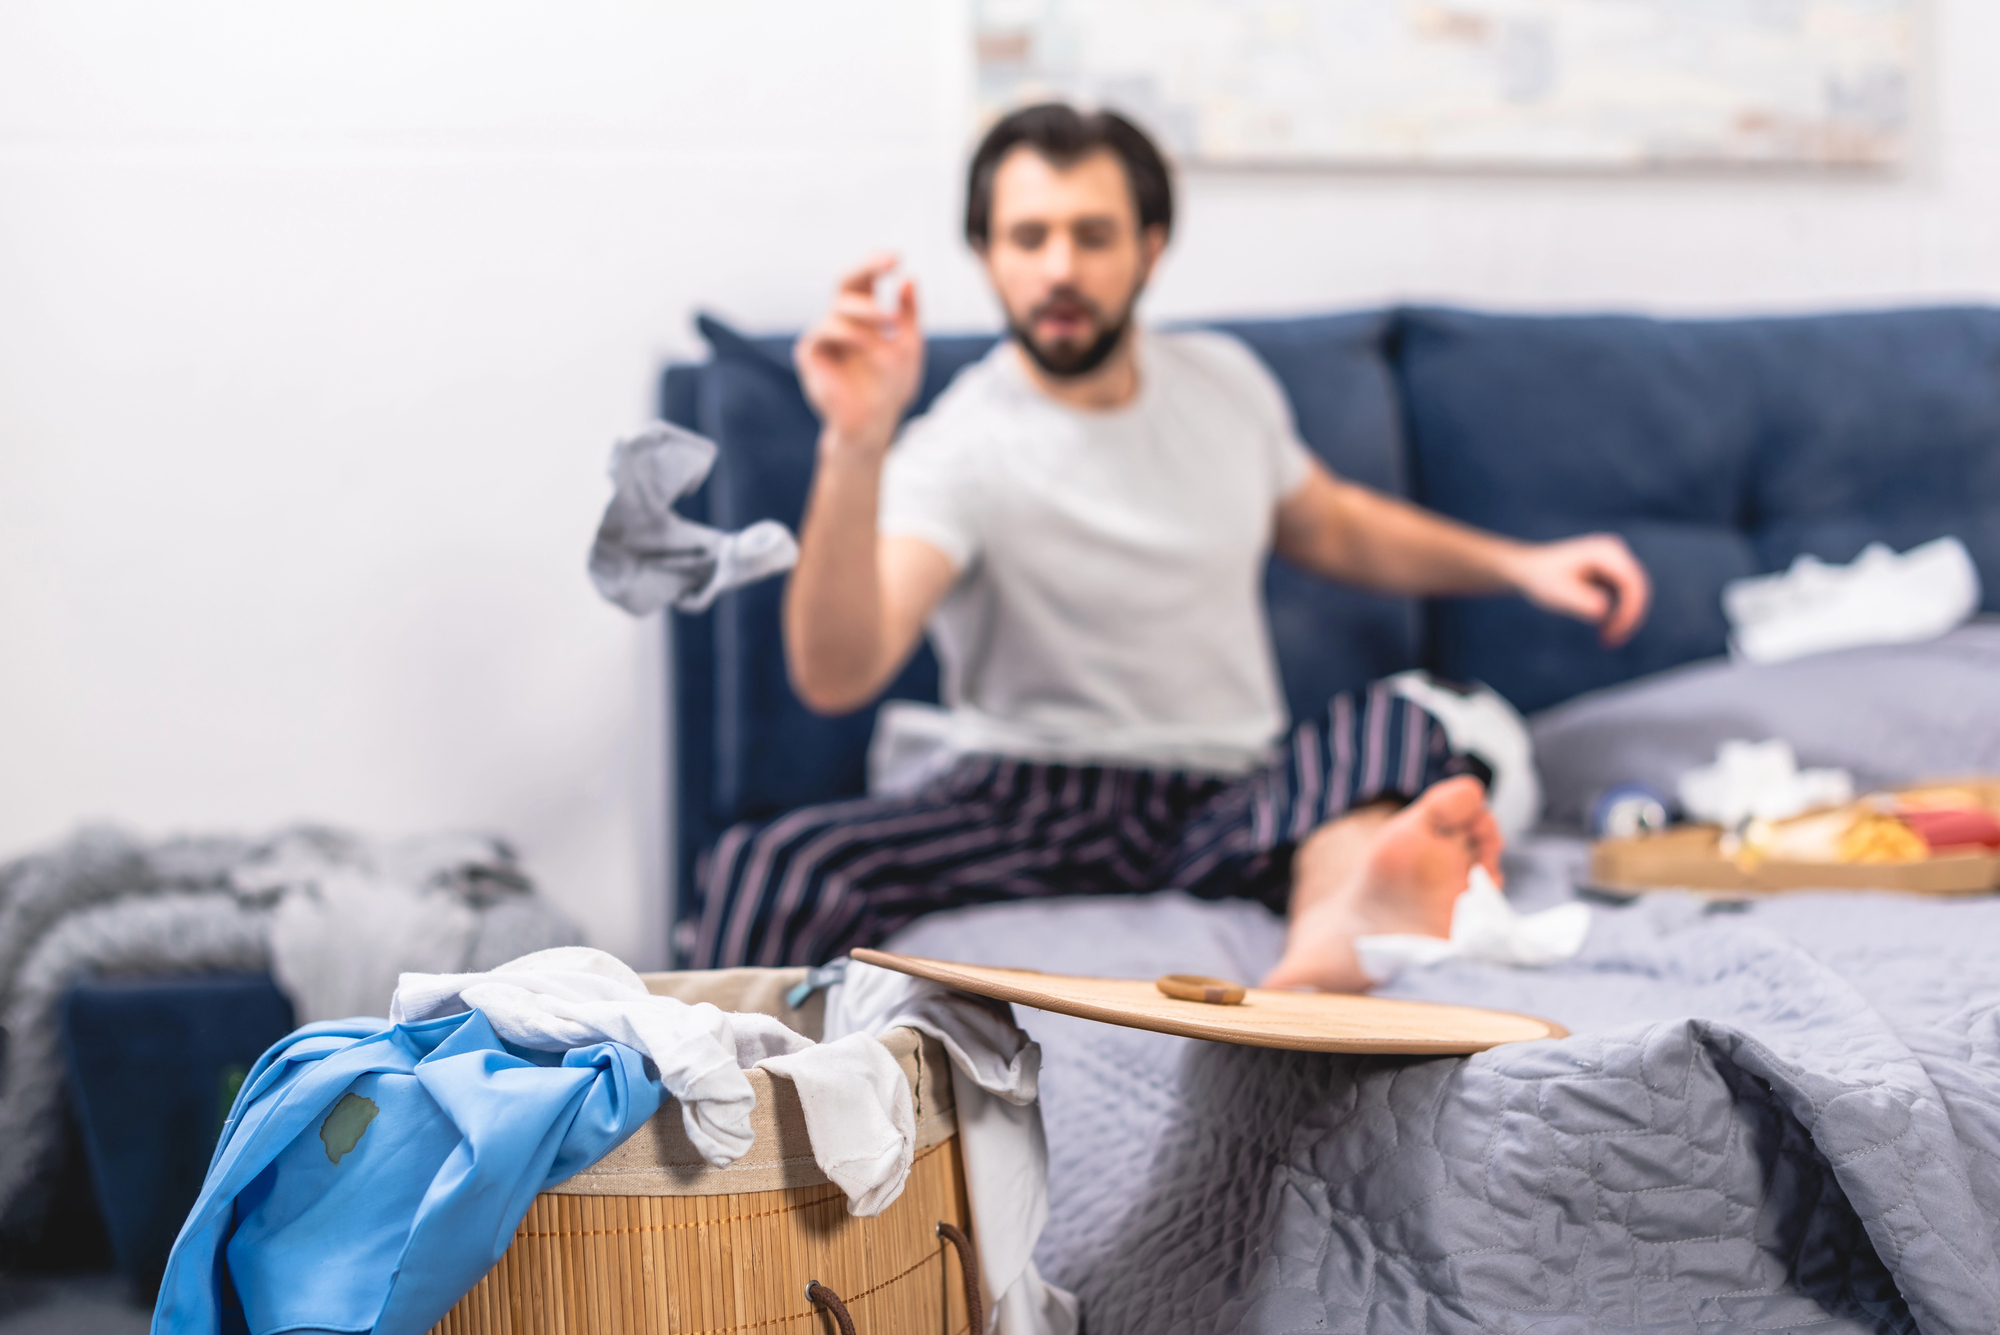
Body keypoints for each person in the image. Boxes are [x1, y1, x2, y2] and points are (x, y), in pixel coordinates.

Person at [692, 103, 1650, 990]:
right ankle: (700, 1149)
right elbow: (837, 672)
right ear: (987, 254)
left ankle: (1329, 941)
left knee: (1420, 726)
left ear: (1150, 248)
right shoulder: (957, 445)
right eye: (1029, 236)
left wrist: (1520, 565)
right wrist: (853, 443)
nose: (1060, 267)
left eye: (1093, 234)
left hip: (1226, 795)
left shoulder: (1225, 384)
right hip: (1031, 796)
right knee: (774, 864)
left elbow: (1334, 522)